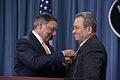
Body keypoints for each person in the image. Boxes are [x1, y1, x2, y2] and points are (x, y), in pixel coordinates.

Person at [14, 13, 76, 77]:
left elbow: (54, 70)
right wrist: (63, 53)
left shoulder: (49, 47)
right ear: (41, 25)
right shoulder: (24, 42)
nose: (54, 34)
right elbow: (35, 63)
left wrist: (64, 63)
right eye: (52, 29)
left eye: (55, 30)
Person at [65, 12, 107, 80]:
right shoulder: (86, 46)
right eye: (73, 28)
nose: (73, 31)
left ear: (89, 29)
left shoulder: (94, 47)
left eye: (77, 28)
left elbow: (91, 77)